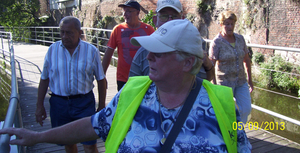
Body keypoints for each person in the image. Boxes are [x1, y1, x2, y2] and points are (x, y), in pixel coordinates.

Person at [0, 19, 251, 152]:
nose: (148, 57)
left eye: (159, 52)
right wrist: (37, 137)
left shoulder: (224, 105)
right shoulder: (132, 93)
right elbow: (91, 125)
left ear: (187, 63)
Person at [35, 16, 107, 153]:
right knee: (68, 144)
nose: (64, 36)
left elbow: (101, 79)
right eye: (62, 32)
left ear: (80, 33)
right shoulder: (52, 50)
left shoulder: (91, 51)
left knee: (90, 145)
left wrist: (102, 105)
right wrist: (39, 106)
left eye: (69, 32)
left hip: (84, 103)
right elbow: (44, 79)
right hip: (59, 104)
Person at [128, 0, 215, 82]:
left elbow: (208, 78)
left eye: (175, 16)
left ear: (182, 19)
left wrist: (207, 63)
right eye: (164, 16)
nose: (170, 21)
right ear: (155, 20)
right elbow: (132, 87)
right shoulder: (144, 52)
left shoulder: (196, 44)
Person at [209, 10, 253, 124]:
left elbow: (247, 59)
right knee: (228, 112)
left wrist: (250, 80)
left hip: (241, 81)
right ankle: (231, 135)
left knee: (246, 108)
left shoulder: (240, 39)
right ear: (221, 24)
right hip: (224, 83)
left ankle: (239, 131)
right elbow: (211, 65)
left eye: (232, 24)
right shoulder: (216, 42)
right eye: (227, 24)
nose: (230, 26)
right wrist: (214, 85)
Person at [101, 0, 155, 91]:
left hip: (144, 78)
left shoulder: (148, 30)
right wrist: (102, 76)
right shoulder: (118, 29)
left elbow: (156, 52)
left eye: (128, 11)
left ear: (137, 13)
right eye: (124, 11)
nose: (124, 14)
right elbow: (108, 53)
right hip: (123, 79)